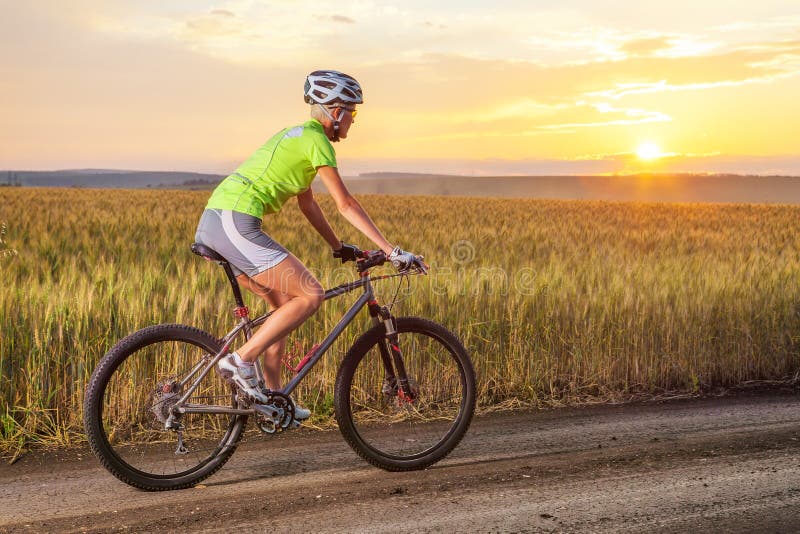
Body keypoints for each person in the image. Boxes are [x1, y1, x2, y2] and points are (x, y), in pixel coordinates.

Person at [194, 70, 421, 420]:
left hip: (222, 221)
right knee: (311, 295)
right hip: (233, 220)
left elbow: (308, 204)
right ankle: (239, 360)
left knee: (282, 306)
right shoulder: (317, 141)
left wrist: (338, 245)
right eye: (352, 112)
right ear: (335, 110)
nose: (353, 120)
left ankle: (271, 400)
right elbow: (345, 204)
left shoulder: (298, 137)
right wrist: (392, 251)